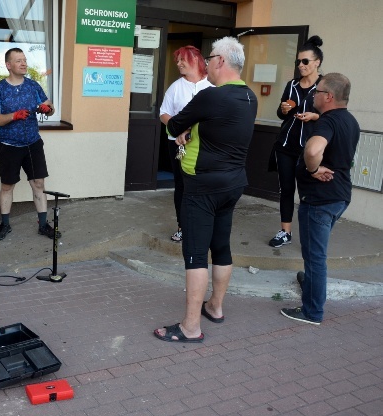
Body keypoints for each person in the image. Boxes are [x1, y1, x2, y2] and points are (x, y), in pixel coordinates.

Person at [154, 37, 257, 343]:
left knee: (196, 254)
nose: (207, 63)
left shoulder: (211, 96)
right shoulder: (250, 97)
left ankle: (190, 327)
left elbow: (173, 127)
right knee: (221, 246)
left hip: (202, 185)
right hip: (233, 184)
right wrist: (193, 129)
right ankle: (215, 307)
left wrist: (184, 128)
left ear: (221, 61)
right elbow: (219, 129)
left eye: (210, 57)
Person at [281, 73, 360, 325]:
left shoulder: (328, 122)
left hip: (320, 200)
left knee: (315, 256)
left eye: (317, 92)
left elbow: (313, 149)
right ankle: (312, 283)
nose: (313, 95)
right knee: (316, 255)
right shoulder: (350, 121)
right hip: (339, 197)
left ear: (329, 97)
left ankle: (312, 312)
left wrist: (313, 170)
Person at [0, 48, 58, 241]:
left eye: (25, 60)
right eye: (19, 61)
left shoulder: (33, 86)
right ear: (8, 65)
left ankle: (43, 225)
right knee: (8, 186)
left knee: (39, 183)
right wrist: (13, 116)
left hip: (33, 143)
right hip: (8, 145)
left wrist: (47, 108)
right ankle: (5, 224)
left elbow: (50, 108)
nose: (24, 63)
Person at [268, 36, 324, 248]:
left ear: (317, 62)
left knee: (309, 191)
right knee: (286, 189)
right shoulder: (291, 85)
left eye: (305, 61)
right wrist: (283, 110)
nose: (301, 65)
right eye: (298, 62)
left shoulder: (324, 86)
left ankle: (312, 233)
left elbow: (332, 117)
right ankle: (285, 231)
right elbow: (282, 114)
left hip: (309, 148)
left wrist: (315, 117)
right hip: (285, 146)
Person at [159, 46, 213, 243]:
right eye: (178, 60)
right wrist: (178, 128)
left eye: (183, 60)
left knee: (204, 185)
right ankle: (183, 226)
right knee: (182, 185)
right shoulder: (176, 86)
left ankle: (203, 226)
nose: (179, 63)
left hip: (206, 145)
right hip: (179, 145)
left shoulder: (212, 86)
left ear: (197, 60)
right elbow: (163, 113)